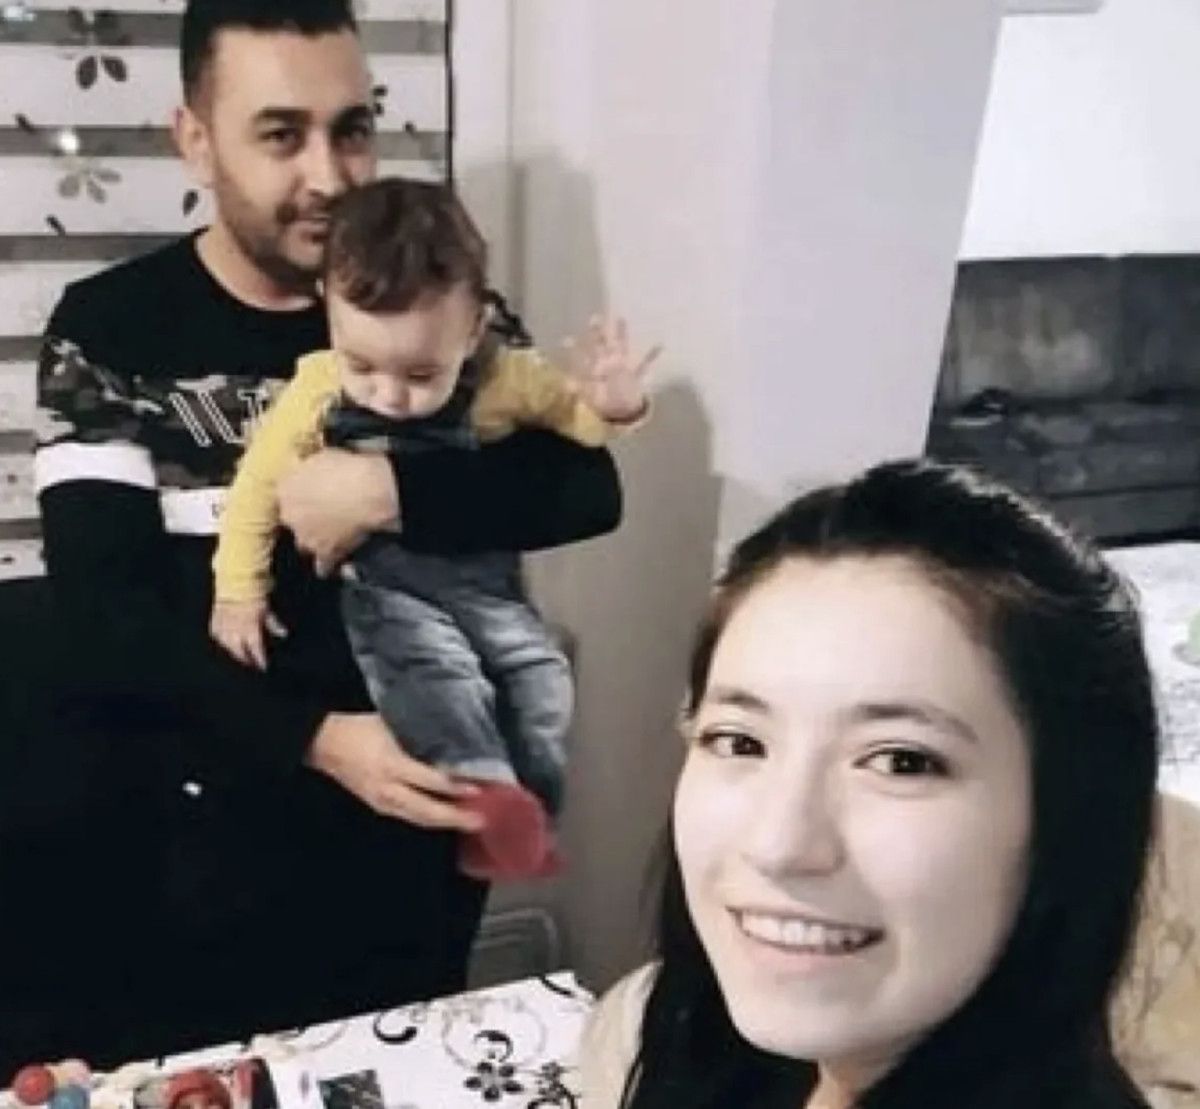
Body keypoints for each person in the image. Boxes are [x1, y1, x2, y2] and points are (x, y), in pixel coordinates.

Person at [15, 0, 622, 1070]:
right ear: (194, 139)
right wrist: (319, 738)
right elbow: (104, 614)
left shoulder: (427, 291)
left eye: (353, 129)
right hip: (197, 834)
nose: (331, 177)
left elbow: (582, 487)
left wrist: (383, 489)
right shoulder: (110, 329)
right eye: (281, 134)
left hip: (417, 829)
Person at [583, 460, 1158, 1109]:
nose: (777, 845)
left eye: (901, 762)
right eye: (740, 741)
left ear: (1074, 815)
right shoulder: (718, 1044)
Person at [210, 177, 654, 880]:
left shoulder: (508, 377)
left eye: (421, 373)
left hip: (486, 587)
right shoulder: (316, 388)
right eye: (362, 364)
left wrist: (613, 406)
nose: (389, 395)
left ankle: (528, 816)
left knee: (542, 678)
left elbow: (581, 443)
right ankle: (483, 798)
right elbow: (256, 490)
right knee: (437, 679)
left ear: (473, 330)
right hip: (390, 592)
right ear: (329, 310)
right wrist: (239, 592)